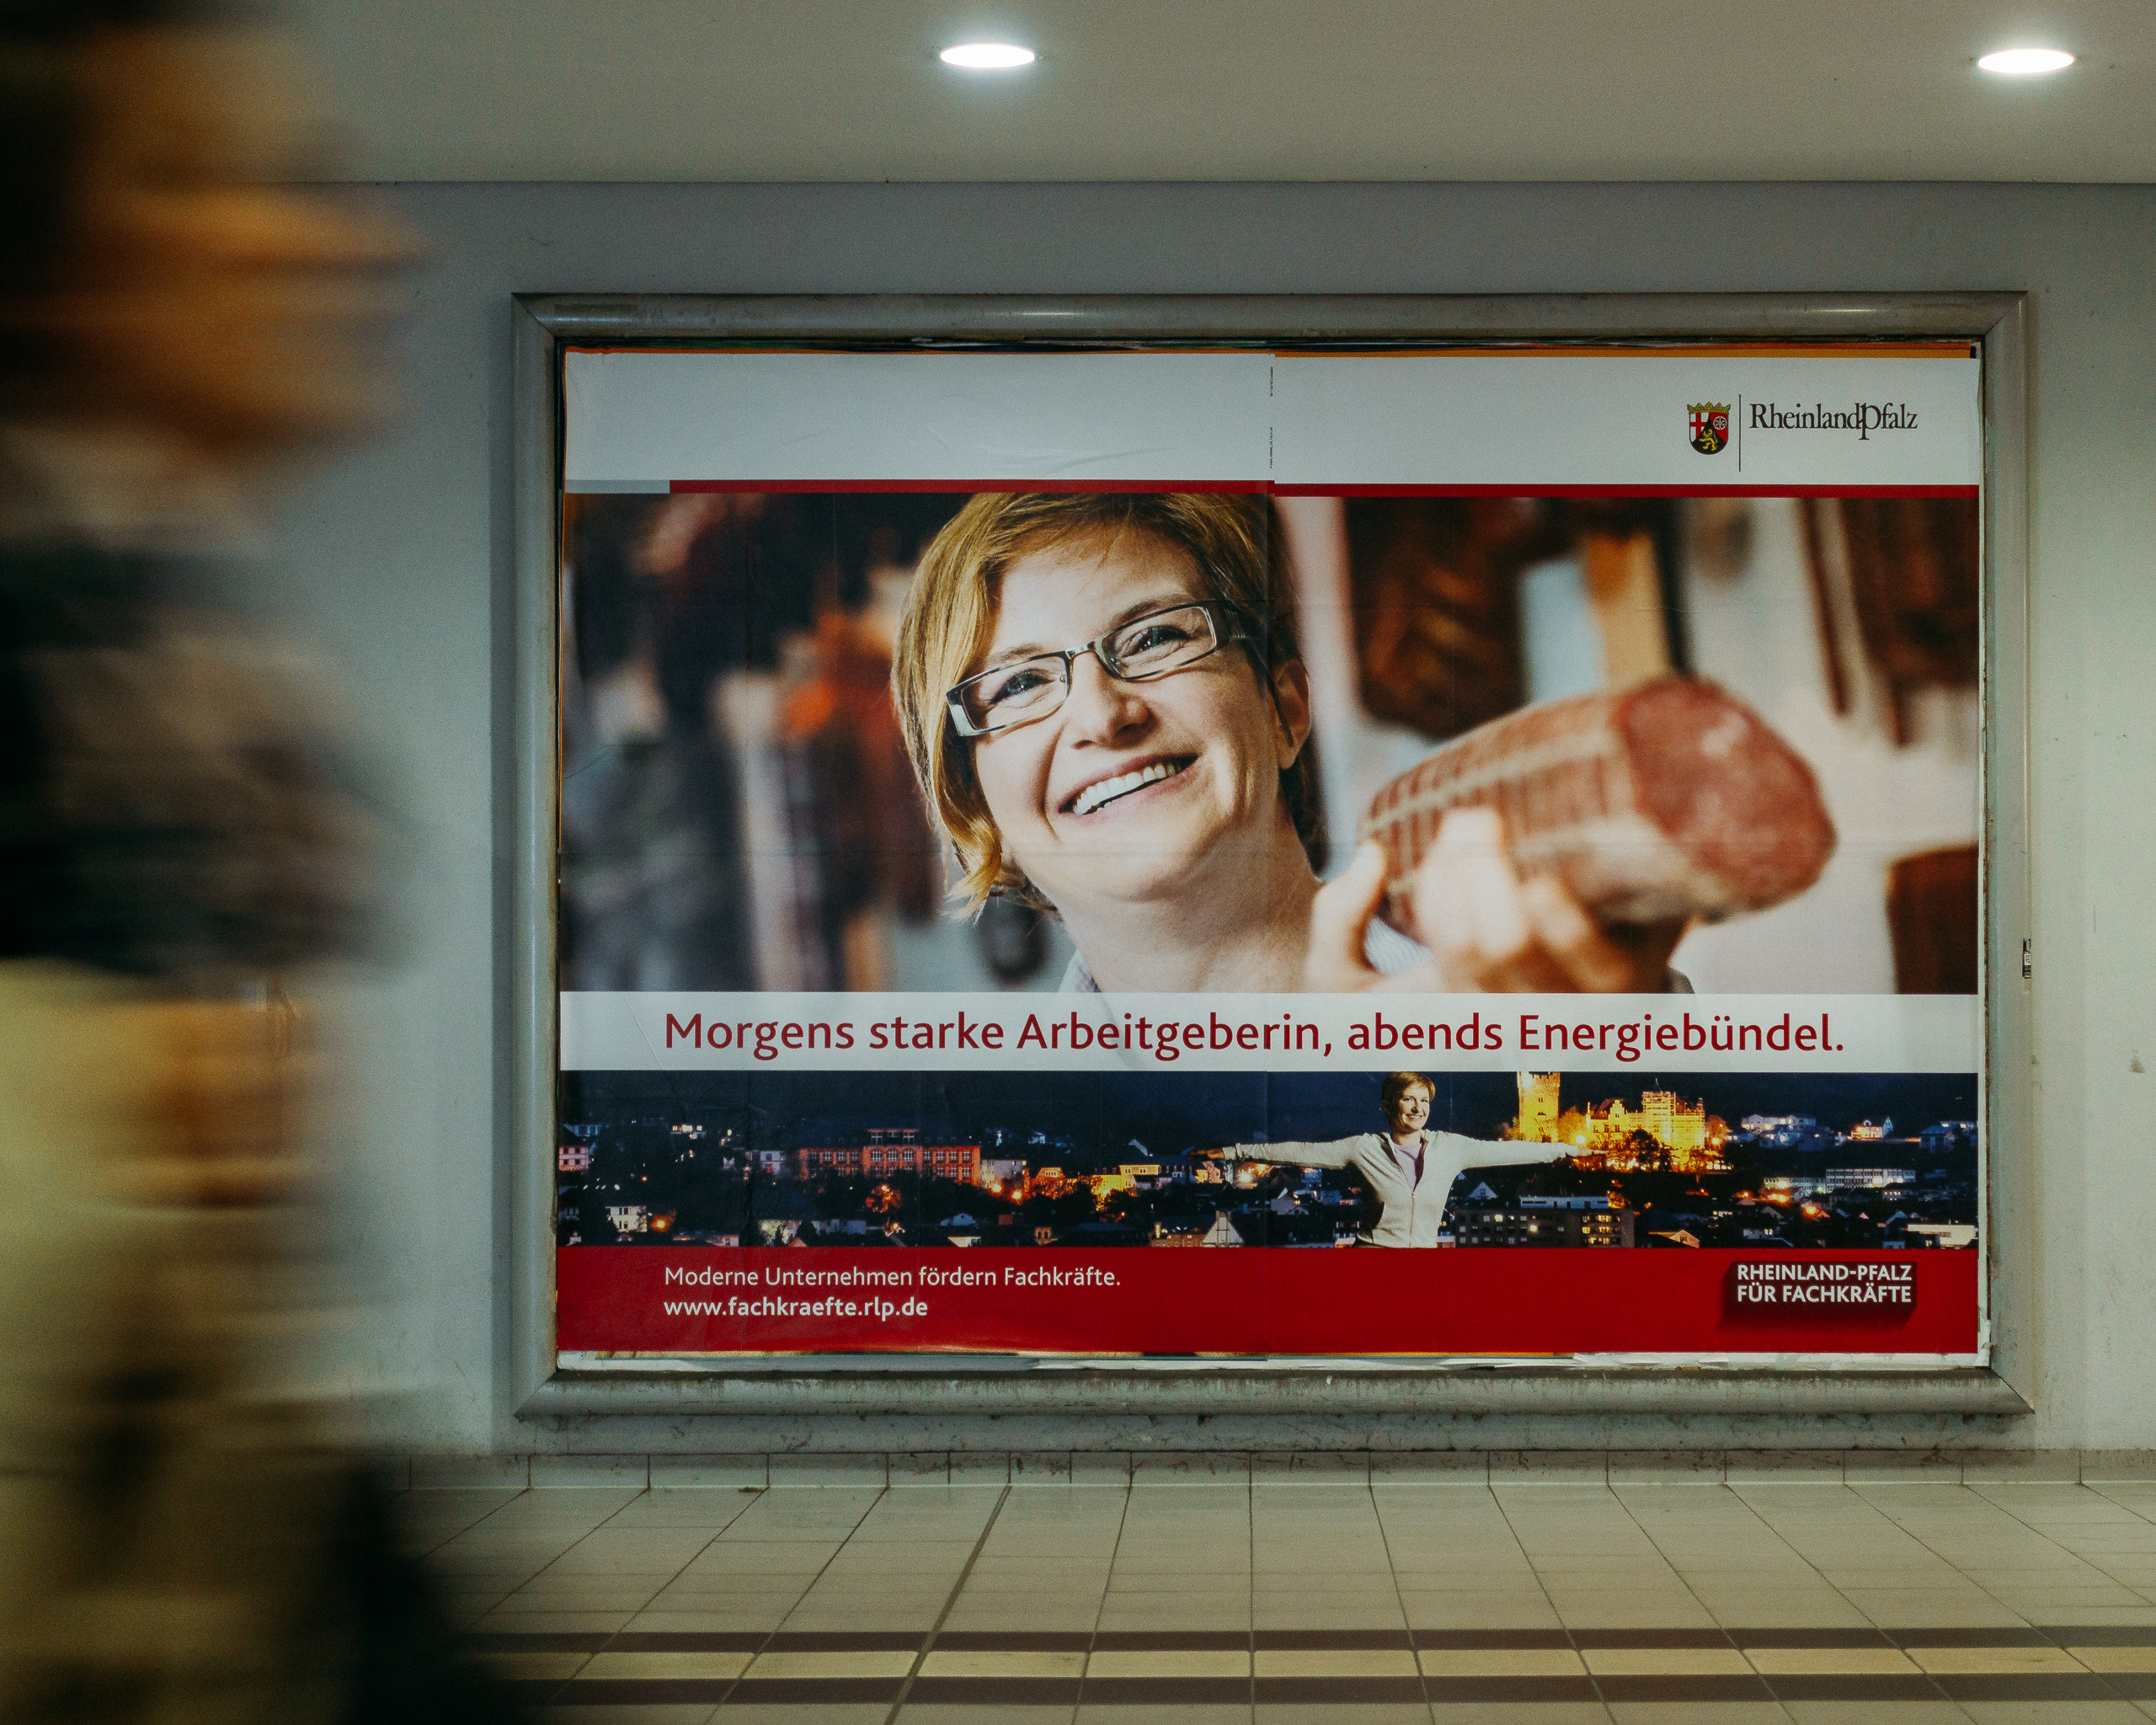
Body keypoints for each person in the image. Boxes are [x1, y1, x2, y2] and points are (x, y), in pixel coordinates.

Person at [0, 5, 513, 1721]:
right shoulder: (64, 672)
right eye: (242, 184)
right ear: (54, 261)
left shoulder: (158, 638)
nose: (355, 242)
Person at [891, 492, 1687, 993]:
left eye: (1155, 637)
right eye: (1020, 686)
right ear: (974, 809)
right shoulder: (993, 1132)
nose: (1102, 716)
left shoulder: (1543, 996)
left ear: (1285, 708)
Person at [1202, 1071, 1573, 1247]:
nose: (1418, 1108)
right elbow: (1300, 1151)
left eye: (1424, 1101)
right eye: (1409, 1099)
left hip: (1424, 1264)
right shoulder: (1362, 1147)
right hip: (1373, 1258)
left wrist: (1573, 1150)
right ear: (1387, 1105)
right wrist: (1235, 1152)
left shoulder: (1451, 1147)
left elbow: (1513, 1151)